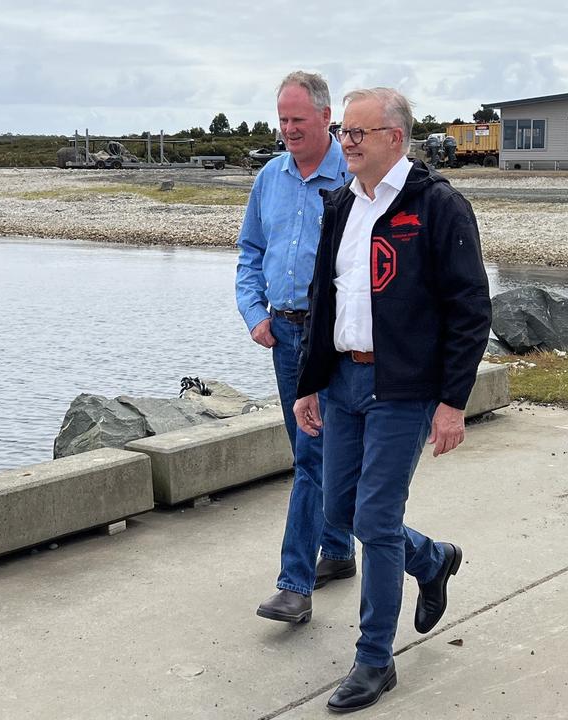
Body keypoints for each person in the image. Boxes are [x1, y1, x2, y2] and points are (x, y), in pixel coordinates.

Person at [294, 86, 491, 713]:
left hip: (403, 389)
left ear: (395, 139)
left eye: (357, 133)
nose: (345, 143)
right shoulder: (340, 206)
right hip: (343, 383)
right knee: (341, 510)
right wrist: (309, 382)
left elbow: (469, 309)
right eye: (344, 133)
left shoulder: (439, 207)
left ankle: (375, 658)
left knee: (375, 521)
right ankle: (431, 560)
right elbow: (324, 300)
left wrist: (452, 402)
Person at [235, 71, 356, 625]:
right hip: (284, 335)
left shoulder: (353, 180)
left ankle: (294, 582)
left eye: (297, 121)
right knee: (312, 451)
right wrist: (255, 313)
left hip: (334, 337)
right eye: (281, 121)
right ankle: (336, 550)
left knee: (312, 458)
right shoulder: (269, 177)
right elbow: (250, 252)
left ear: (326, 118)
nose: (287, 130)